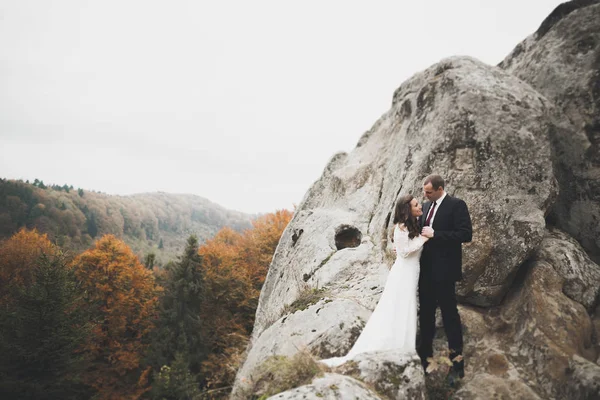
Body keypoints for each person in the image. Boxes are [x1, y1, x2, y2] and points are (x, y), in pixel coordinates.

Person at [321, 194, 429, 368]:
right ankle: (395, 345)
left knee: (405, 307)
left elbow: (402, 248)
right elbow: (404, 252)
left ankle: (404, 344)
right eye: (416, 205)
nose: (420, 207)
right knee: (398, 307)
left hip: (411, 271)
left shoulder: (410, 226)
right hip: (403, 274)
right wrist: (425, 238)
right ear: (407, 210)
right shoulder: (401, 228)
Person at [418, 174, 472, 386]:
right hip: (425, 274)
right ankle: (425, 361)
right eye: (424, 191)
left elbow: (466, 234)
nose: (425, 195)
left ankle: (457, 367)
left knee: (450, 317)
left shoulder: (456, 205)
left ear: (440, 189)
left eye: (429, 192)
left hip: (445, 273)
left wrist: (436, 234)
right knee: (426, 316)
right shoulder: (424, 206)